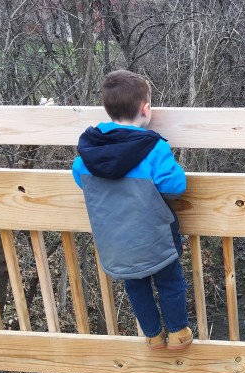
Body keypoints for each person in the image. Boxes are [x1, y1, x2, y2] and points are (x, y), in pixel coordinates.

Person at [72, 70, 193, 351]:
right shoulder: (153, 149)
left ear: (108, 110)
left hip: (116, 243)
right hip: (154, 239)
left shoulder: (89, 151)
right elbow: (175, 186)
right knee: (170, 283)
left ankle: (153, 336)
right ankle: (178, 332)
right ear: (146, 109)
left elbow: (80, 178)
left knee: (136, 286)